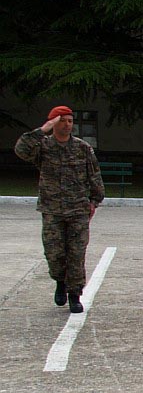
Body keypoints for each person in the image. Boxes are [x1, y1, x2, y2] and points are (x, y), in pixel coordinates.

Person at [15, 105, 105, 313]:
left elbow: (94, 174)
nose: (67, 125)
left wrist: (94, 200)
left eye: (70, 121)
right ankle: (60, 281)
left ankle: (74, 295)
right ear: (53, 122)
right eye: (62, 120)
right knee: (54, 253)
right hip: (52, 209)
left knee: (76, 253)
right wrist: (43, 129)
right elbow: (21, 150)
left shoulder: (82, 148)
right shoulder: (43, 146)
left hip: (78, 210)